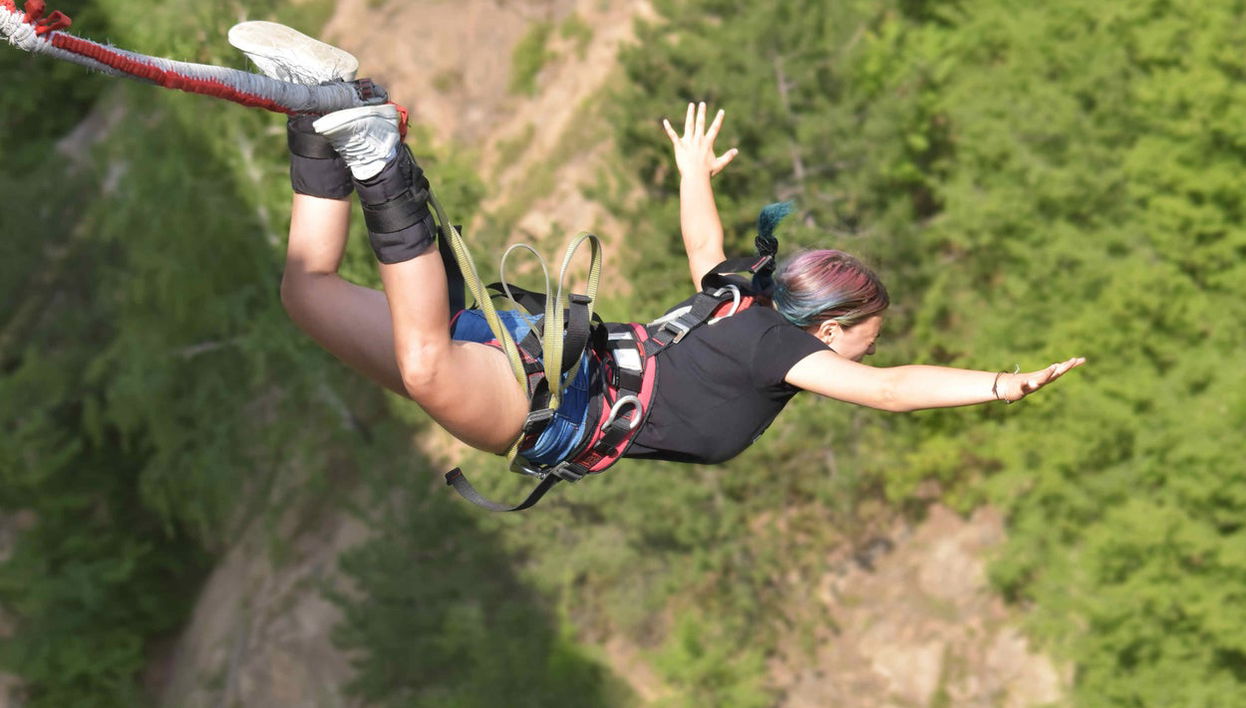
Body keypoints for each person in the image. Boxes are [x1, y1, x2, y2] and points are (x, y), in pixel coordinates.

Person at [236, 24, 1084, 482]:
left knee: (304, 295)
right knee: (422, 367)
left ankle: (319, 114)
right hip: (550, 405)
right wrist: (1003, 386)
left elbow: (702, 242)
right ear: (830, 329)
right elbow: (893, 393)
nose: (875, 350)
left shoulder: (735, 300)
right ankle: (377, 157)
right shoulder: (781, 350)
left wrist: (691, 173)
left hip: (539, 351)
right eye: (871, 333)